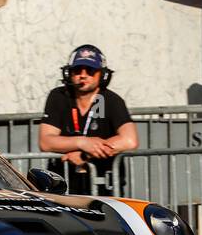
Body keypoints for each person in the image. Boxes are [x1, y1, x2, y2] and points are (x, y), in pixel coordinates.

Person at [38, 45, 138, 195]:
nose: (83, 75)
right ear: (68, 73)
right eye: (77, 70)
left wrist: (85, 155)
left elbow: (129, 140)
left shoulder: (112, 100)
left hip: (104, 187)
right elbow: (46, 141)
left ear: (103, 75)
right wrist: (82, 142)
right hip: (63, 186)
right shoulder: (58, 96)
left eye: (90, 71)